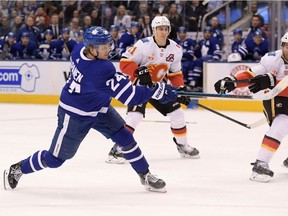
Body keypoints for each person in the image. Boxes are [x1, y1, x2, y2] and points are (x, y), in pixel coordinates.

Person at [3, 26, 179, 193]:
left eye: (108, 45)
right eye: (103, 47)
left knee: (126, 138)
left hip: (99, 106)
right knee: (55, 159)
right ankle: (18, 168)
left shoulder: (80, 49)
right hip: (75, 115)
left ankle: (145, 175)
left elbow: (113, 83)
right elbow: (131, 96)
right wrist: (158, 90)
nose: (108, 49)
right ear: (92, 48)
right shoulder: (100, 69)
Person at [106, 16, 200, 164]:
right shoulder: (143, 45)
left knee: (177, 113)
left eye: (165, 29)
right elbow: (124, 63)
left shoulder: (175, 49)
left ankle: (182, 145)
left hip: (160, 88)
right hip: (139, 86)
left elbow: (175, 73)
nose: (163, 32)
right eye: (160, 29)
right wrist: (138, 72)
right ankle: (117, 149)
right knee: (135, 116)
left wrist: (180, 90)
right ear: (154, 30)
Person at [213, 32, 288, 183]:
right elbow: (252, 73)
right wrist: (233, 81)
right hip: (277, 100)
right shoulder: (272, 58)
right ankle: (260, 163)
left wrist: (274, 81)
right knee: (281, 125)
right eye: (287, 46)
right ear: (282, 46)